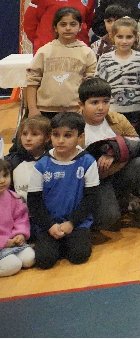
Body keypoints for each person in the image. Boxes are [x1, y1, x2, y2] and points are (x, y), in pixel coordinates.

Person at [76, 76, 140, 230]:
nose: (101, 107)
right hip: (94, 182)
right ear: (81, 104)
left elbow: (137, 143)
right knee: (109, 219)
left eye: (105, 101)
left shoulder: (118, 119)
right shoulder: (73, 125)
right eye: (94, 102)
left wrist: (113, 152)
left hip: (119, 172)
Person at [26, 112, 100, 268]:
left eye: (67, 135)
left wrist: (71, 223)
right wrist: (50, 225)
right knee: (45, 260)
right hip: (48, 224)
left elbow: (91, 199)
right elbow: (34, 201)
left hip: (76, 223)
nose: (60, 141)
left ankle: (68, 242)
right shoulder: (42, 164)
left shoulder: (88, 162)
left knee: (79, 256)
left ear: (80, 136)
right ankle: (55, 244)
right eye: (56, 135)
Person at [25, 8, 97, 118]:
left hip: (75, 110)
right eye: (63, 24)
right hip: (44, 110)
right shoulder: (44, 51)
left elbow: (91, 84)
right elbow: (32, 81)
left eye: (73, 24)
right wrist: (32, 108)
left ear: (80, 27)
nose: (68, 28)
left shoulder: (87, 52)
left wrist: (84, 106)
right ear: (55, 28)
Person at [0, 160, 35, 276]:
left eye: (5, 175)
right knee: (13, 265)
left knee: (30, 258)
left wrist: (20, 234)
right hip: (3, 243)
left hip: (12, 242)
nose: (2, 181)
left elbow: (21, 217)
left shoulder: (12, 197)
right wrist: (3, 242)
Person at [7, 116, 51, 201]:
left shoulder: (53, 160)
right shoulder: (12, 161)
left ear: (47, 138)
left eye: (34, 134)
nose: (28, 139)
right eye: (24, 134)